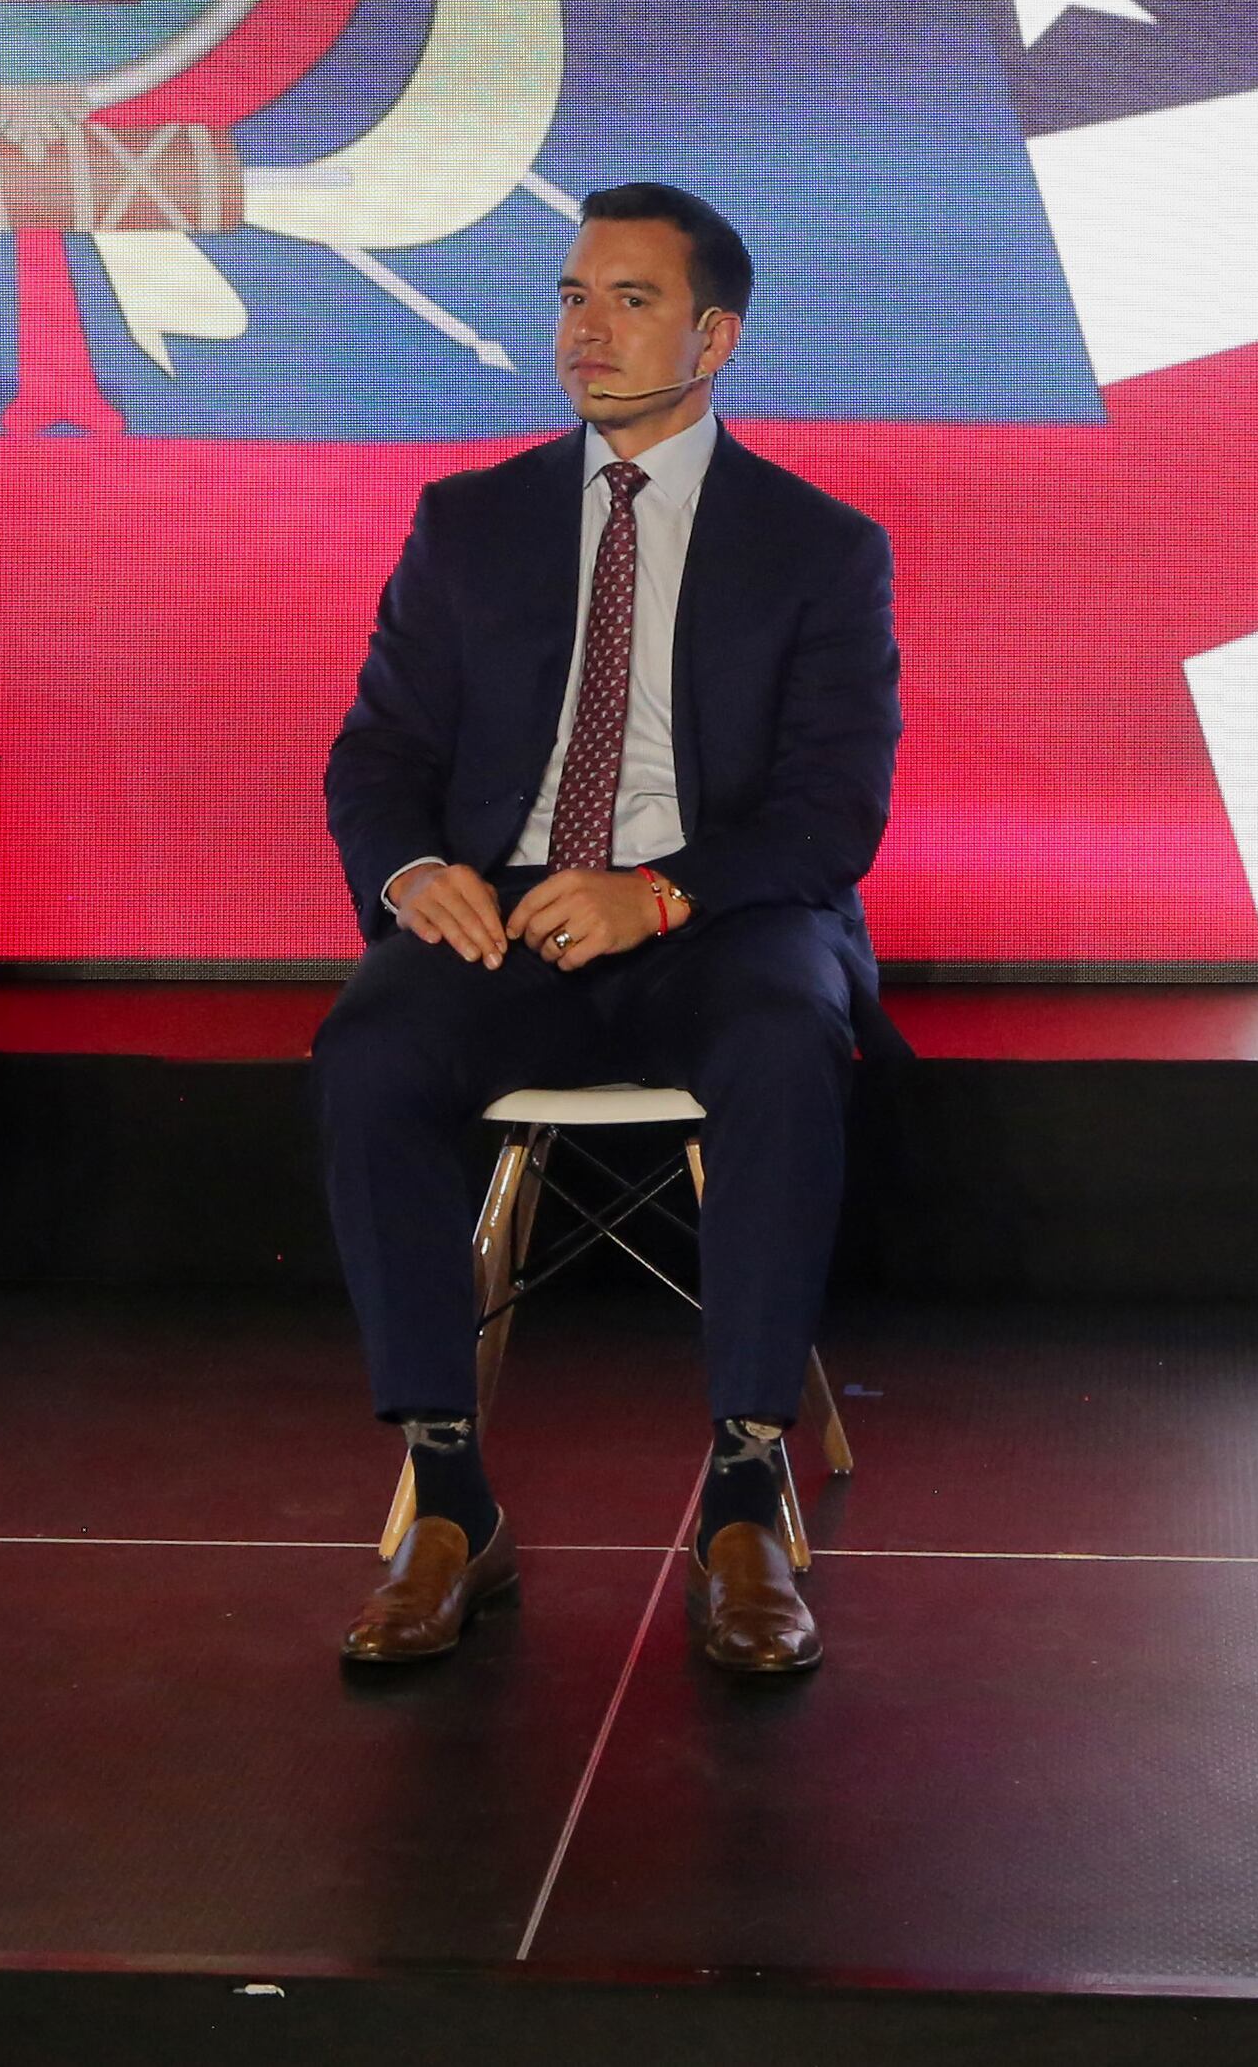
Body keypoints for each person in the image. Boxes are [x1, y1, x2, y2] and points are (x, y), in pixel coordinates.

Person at [314, 183, 898, 1677]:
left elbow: (835, 818)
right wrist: (409, 876)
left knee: (781, 1037)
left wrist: (664, 888)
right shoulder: (470, 520)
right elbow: (375, 757)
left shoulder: (819, 545)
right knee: (371, 1044)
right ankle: (447, 1500)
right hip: (509, 916)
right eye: (574, 294)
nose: (587, 326)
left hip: (719, 916)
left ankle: (744, 1492)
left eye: (630, 298)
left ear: (716, 335)